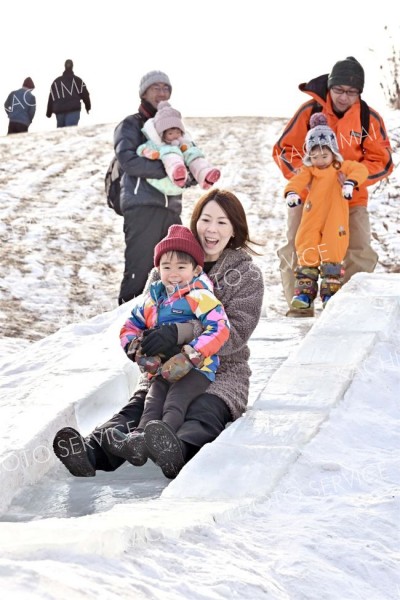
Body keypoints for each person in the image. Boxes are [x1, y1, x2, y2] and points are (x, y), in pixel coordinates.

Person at [53, 189, 264, 480]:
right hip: (164, 367)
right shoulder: (165, 268)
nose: (212, 229)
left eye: (222, 222)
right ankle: (90, 453)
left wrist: (179, 333)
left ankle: (176, 450)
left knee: (203, 410)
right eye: (206, 220)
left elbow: (236, 330)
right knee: (140, 407)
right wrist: (140, 345)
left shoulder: (246, 275)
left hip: (220, 370)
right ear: (195, 222)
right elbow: (146, 317)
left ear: (235, 230)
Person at [272, 56, 393, 317]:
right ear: (330, 86)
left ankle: (343, 309)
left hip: (350, 197)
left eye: (351, 92)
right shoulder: (310, 112)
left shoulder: (367, 118)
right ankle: (299, 308)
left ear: (359, 92)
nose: (344, 97)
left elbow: (381, 161)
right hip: (309, 198)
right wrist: (305, 176)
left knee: (360, 250)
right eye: (339, 90)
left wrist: (353, 178)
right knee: (297, 246)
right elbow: (285, 150)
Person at [117, 224, 230, 471]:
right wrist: (134, 347)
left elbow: (220, 327)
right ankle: (139, 439)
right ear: (158, 269)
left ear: (195, 269)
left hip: (195, 369)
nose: (174, 274)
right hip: (161, 368)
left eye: (181, 267)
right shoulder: (153, 299)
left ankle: (166, 442)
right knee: (152, 402)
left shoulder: (199, 296)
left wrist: (192, 354)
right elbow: (129, 326)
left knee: (175, 402)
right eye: (167, 267)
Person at [113, 70, 196, 305]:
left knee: (171, 273)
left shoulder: (175, 130)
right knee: (139, 270)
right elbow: (127, 160)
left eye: (166, 88)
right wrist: (168, 169)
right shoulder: (131, 124)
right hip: (142, 205)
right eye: (156, 87)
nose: (162, 92)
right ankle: (127, 328)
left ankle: (163, 327)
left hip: (171, 208)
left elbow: (190, 162)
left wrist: (190, 173)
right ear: (144, 93)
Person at [284, 113, 369, 311]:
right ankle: (304, 295)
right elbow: (295, 181)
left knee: (332, 251)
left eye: (324, 155)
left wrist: (350, 183)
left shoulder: (341, 167)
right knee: (306, 247)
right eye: (314, 156)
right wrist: (291, 193)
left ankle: (330, 294)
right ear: (309, 156)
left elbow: (360, 170)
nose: (320, 160)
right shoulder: (310, 171)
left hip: (335, 218)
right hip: (312, 216)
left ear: (333, 152)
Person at [137, 101, 220, 193]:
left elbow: (191, 149)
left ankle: (205, 175)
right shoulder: (158, 144)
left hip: (182, 182)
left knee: (193, 154)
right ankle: (177, 173)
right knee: (171, 154)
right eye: (170, 133)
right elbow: (142, 149)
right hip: (166, 181)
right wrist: (150, 153)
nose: (175, 135)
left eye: (178, 132)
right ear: (162, 134)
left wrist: (189, 150)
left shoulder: (183, 142)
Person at [46, 59, 91, 128]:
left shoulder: (57, 81)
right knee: (70, 132)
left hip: (59, 110)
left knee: (61, 133)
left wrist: (49, 112)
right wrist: (88, 107)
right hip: (73, 109)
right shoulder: (77, 80)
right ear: (72, 66)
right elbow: (85, 94)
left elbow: (51, 97)